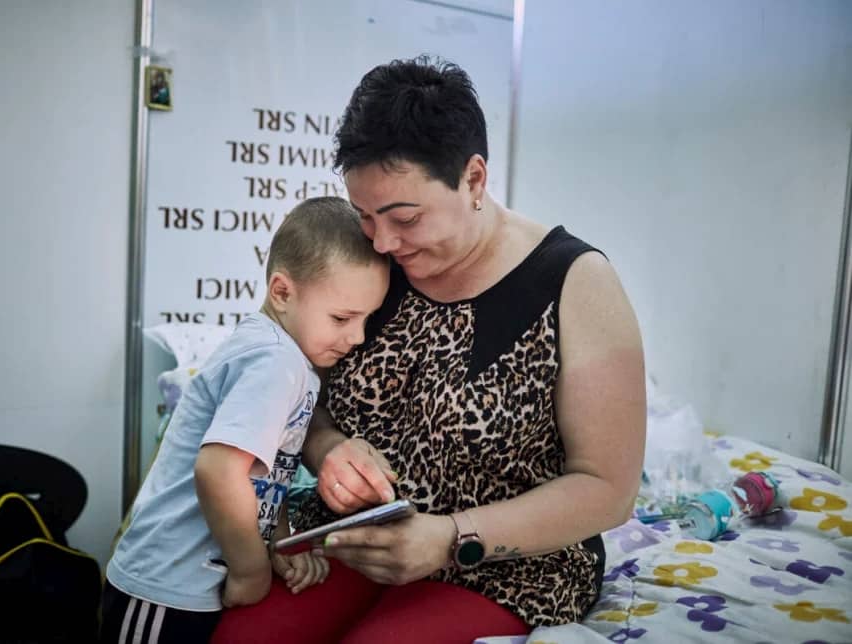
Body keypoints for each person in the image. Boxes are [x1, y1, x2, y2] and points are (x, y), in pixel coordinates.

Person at [212, 56, 646, 643]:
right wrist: (331, 450)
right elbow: (296, 392)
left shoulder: (575, 281)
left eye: (405, 218)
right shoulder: (369, 266)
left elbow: (606, 487)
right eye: (366, 218)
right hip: (355, 538)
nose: (384, 242)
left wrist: (451, 536)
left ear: (473, 179)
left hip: (502, 567)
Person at [102, 197, 390, 643]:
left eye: (366, 320)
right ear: (281, 291)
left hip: (188, 584)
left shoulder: (282, 356)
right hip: (164, 586)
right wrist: (251, 568)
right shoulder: (275, 363)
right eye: (342, 318)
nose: (356, 337)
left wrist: (278, 545)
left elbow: (263, 477)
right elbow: (218, 472)